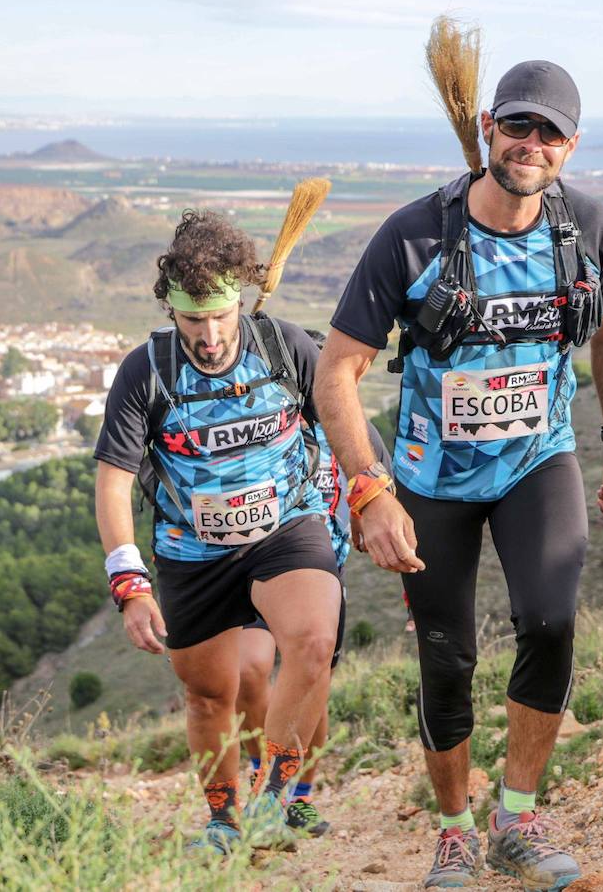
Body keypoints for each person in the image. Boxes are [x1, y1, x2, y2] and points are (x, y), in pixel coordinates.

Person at [315, 60, 603, 889]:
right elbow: (337, 371)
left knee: (552, 619)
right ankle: (455, 831)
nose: (532, 144)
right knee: (446, 654)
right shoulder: (414, 234)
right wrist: (370, 490)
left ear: (573, 144)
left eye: (550, 133)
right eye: (519, 126)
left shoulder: (589, 229)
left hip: (538, 459)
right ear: (489, 124)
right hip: (429, 476)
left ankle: (518, 817)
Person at [93, 210, 342, 855]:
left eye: (220, 317)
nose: (208, 336)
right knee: (212, 694)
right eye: (192, 320)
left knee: (313, 645)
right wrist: (129, 582)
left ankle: (281, 798)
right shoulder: (145, 371)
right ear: (170, 310)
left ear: (240, 300)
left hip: (287, 526)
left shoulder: (285, 345)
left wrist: (373, 499)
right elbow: (114, 481)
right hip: (194, 551)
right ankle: (224, 822)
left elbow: (344, 425)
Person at [234, 328, 391, 837]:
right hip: (259, 565)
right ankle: (264, 779)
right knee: (249, 670)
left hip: (325, 572)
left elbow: (381, 497)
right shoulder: (269, 424)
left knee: (313, 685)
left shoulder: (357, 433)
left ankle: (298, 795)